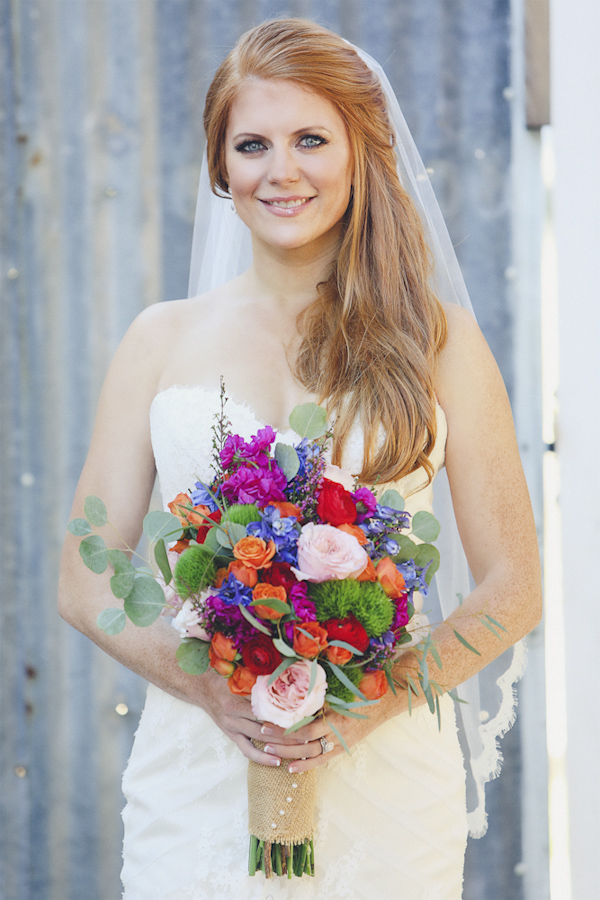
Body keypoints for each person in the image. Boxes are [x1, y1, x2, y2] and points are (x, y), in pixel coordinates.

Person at [58, 18, 542, 900]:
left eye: (311, 140)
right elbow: (84, 584)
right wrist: (211, 692)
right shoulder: (155, 339)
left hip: (385, 772)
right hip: (199, 768)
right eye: (252, 145)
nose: (281, 171)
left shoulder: (437, 341)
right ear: (220, 168)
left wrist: (371, 706)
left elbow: (515, 588)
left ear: (361, 153)